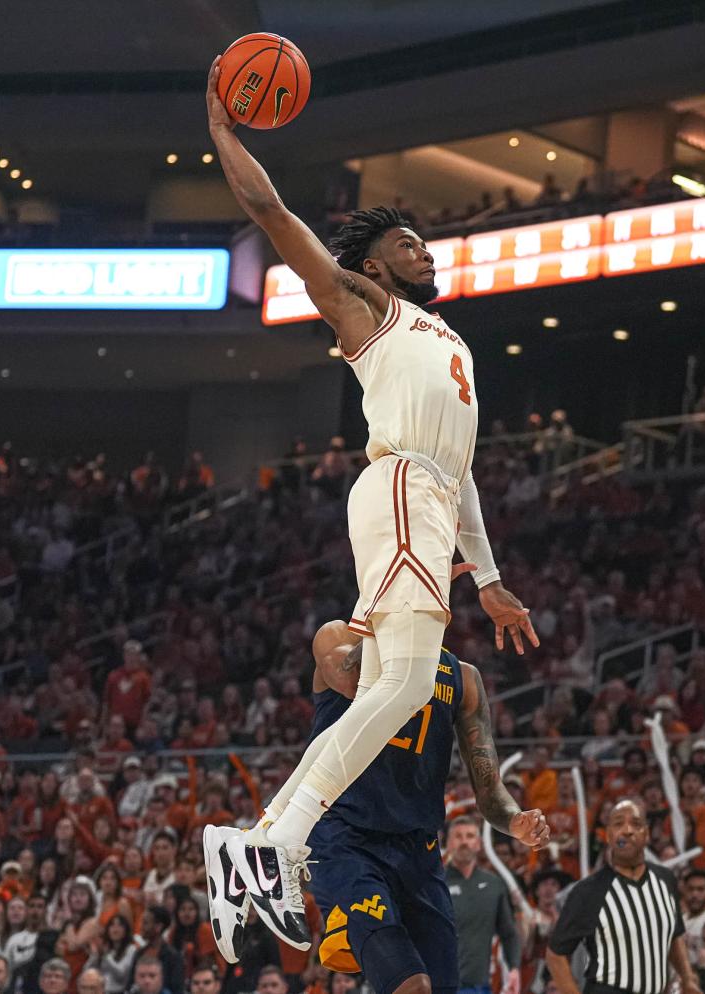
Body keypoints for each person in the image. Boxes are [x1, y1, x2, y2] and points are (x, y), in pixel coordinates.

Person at [204, 53, 538, 948]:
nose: (423, 247)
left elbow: (462, 467)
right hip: (396, 492)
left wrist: (488, 576)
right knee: (398, 688)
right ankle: (275, 841)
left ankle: (265, 841)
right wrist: (223, 133)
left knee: (396, 689)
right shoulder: (363, 308)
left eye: (425, 241)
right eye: (407, 243)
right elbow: (272, 212)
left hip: (427, 498)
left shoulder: (451, 341)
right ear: (372, 268)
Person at [208, 614, 548, 994]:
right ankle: (259, 842)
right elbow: (360, 682)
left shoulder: (463, 678)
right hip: (344, 839)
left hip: (418, 850)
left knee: (441, 988)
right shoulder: (336, 638)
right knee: (412, 986)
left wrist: (514, 819)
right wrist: (402, 619)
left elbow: (489, 788)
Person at [546, 799, 702, 994]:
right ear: (609, 835)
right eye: (619, 823)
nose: (627, 830)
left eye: (636, 824)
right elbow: (555, 955)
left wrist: (687, 978)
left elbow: (674, 935)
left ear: (646, 834)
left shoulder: (666, 880)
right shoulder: (588, 891)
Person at [444, 817, 522, 994]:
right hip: (440, 985)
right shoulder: (435, 884)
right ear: (448, 843)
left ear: (479, 844)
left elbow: (509, 933)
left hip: (480, 986)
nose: (464, 841)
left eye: (470, 836)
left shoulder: (494, 885)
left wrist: (514, 969)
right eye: (458, 836)